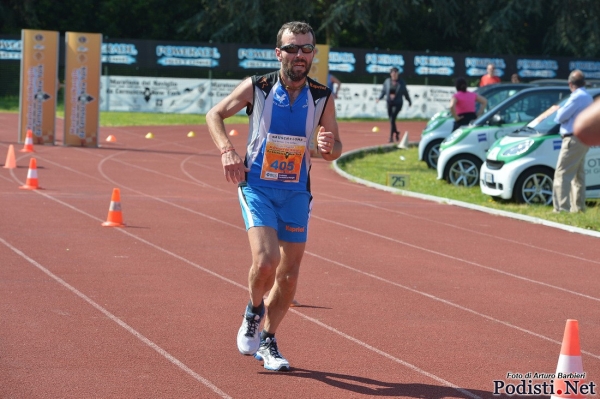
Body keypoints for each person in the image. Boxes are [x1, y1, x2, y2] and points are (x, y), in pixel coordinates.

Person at [205, 21, 341, 372]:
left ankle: (268, 340)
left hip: (296, 192)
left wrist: (330, 146)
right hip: (258, 187)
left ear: (313, 53)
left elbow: (334, 147)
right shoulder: (258, 87)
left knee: (290, 276)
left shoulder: (322, 96)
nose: (300, 55)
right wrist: (227, 151)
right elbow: (214, 114)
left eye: (307, 48)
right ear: (278, 52)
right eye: (293, 48)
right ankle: (253, 310)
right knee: (266, 262)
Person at [552, 69, 593, 213]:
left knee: (562, 173)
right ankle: (579, 208)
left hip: (572, 139)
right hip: (582, 139)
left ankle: (561, 208)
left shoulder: (576, 97)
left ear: (570, 84)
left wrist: (560, 112)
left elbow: (560, 117)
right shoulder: (587, 96)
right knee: (578, 175)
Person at [376, 67, 412, 143]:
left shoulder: (401, 82)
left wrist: (409, 101)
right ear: (390, 74)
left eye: (395, 72)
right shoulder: (387, 81)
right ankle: (396, 132)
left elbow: (405, 93)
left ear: (398, 74)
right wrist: (379, 98)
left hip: (398, 103)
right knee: (391, 120)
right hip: (389, 103)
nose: (394, 74)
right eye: (392, 72)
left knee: (392, 118)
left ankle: (391, 137)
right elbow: (383, 91)